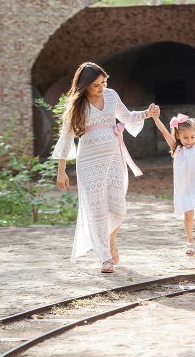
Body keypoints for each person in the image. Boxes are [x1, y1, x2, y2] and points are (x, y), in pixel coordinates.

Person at [53, 62, 157, 273]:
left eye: (103, 82)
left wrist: (146, 113)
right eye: (96, 85)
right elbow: (66, 137)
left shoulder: (110, 96)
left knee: (118, 208)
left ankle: (110, 241)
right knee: (97, 210)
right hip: (89, 162)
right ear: (84, 86)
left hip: (113, 160)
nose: (101, 88)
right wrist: (61, 170)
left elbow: (126, 117)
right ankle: (105, 258)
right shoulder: (77, 104)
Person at [151, 106, 195, 257]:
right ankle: (190, 242)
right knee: (188, 213)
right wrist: (155, 117)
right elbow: (165, 131)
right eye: (186, 137)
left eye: (192, 137)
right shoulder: (177, 149)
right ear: (178, 135)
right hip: (184, 188)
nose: (190, 140)